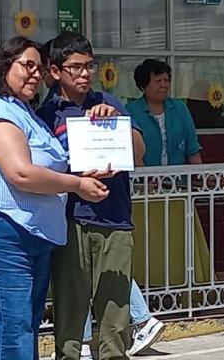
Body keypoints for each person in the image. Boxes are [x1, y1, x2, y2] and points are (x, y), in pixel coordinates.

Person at [0, 36, 111, 360]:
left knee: (26, 323)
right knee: (13, 326)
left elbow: (53, 165)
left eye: (39, 69)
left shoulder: (26, 112)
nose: (35, 74)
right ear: (4, 66)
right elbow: (22, 174)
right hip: (5, 232)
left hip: (36, 234)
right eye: (27, 65)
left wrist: (89, 169)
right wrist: (77, 184)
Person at [36, 31, 146, 360]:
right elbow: (43, 170)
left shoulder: (110, 102)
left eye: (89, 66)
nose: (85, 74)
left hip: (115, 217)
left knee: (115, 310)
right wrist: (77, 179)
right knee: (70, 307)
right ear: (55, 71)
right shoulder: (47, 116)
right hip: (70, 220)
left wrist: (118, 124)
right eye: (76, 67)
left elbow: (139, 153)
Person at [123, 58, 203, 355]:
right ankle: (148, 295)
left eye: (167, 79)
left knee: (179, 244)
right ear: (144, 84)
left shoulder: (179, 108)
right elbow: (132, 153)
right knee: (147, 246)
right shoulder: (131, 111)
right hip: (143, 192)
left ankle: (184, 294)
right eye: (158, 80)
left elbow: (192, 147)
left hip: (177, 188)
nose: (164, 84)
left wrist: (203, 177)